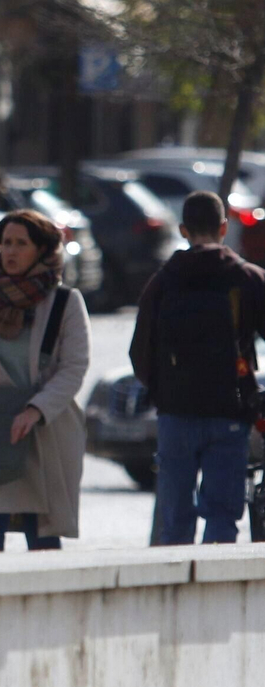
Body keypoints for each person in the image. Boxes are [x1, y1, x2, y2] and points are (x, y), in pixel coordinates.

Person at [0, 209, 91, 552]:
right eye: (5, 243)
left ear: (41, 250)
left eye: (20, 244)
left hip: (44, 434)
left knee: (42, 539)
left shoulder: (65, 302)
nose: (10, 251)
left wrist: (35, 410)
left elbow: (74, 367)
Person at [131, 190, 265, 545]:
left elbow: (139, 352)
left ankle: (174, 594)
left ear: (183, 229)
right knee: (222, 515)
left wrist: (163, 391)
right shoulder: (247, 278)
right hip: (230, 411)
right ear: (224, 227)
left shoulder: (163, 281)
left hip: (176, 413)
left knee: (174, 519)